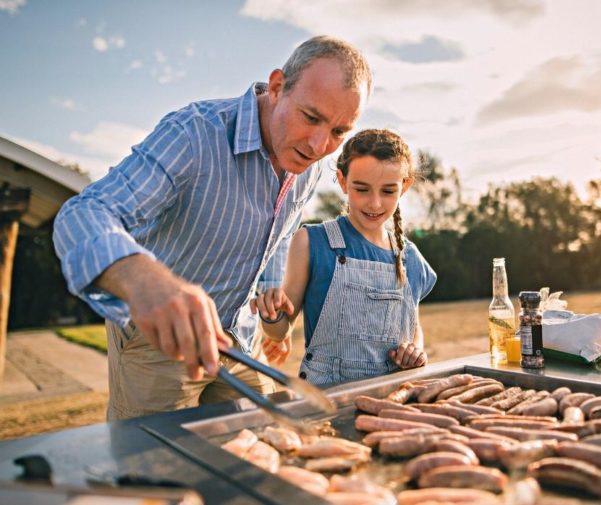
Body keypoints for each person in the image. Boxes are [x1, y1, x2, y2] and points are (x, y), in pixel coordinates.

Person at [52, 36, 372, 420]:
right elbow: (83, 213)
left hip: (240, 338)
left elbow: (281, 232)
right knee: (159, 471)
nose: (320, 144)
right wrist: (142, 279)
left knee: (270, 444)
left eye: (339, 131)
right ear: (276, 87)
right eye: (311, 117)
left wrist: (270, 291)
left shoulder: (312, 164)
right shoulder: (193, 134)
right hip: (160, 344)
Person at [251, 129, 437, 385]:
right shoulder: (311, 242)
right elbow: (280, 330)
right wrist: (271, 315)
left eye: (387, 191)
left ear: (405, 186)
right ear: (342, 180)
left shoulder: (410, 257)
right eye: (362, 189)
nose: (374, 204)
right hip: (328, 397)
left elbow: (412, 326)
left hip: (394, 397)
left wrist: (414, 350)